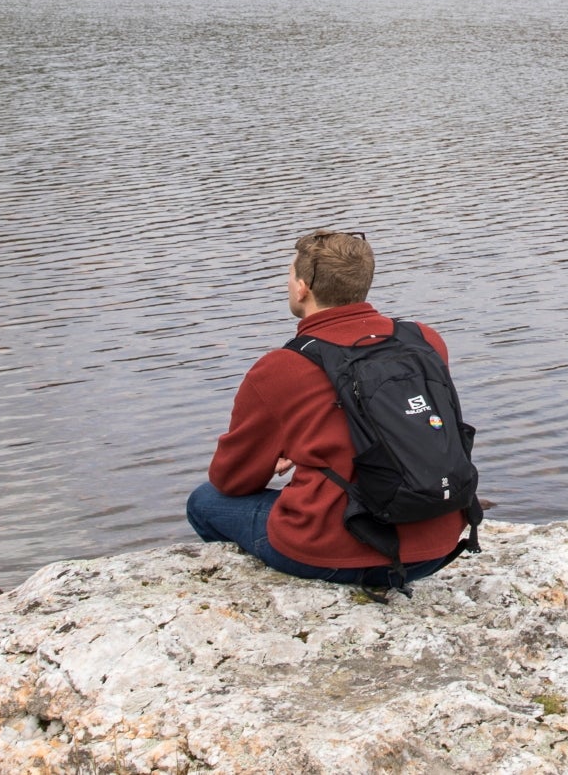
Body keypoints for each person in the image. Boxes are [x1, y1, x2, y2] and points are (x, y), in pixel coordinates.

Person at [186, 230, 472, 586]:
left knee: (204, 501)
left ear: (302, 288)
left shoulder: (281, 367)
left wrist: (284, 453)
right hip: (438, 546)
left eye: (290, 275)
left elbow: (231, 480)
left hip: (336, 554)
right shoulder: (424, 339)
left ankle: (257, 586)